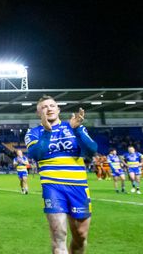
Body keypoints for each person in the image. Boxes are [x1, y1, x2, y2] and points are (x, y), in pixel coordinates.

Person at [26, 96, 97, 254]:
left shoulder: (74, 126)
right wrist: (46, 132)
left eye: (52, 105)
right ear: (39, 113)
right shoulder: (34, 133)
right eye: (44, 107)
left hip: (78, 187)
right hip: (53, 187)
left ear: (58, 110)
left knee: (80, 236)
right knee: (59, 236)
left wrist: (78, 130)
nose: (49, 108)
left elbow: (91, 151)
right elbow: (37, 154)